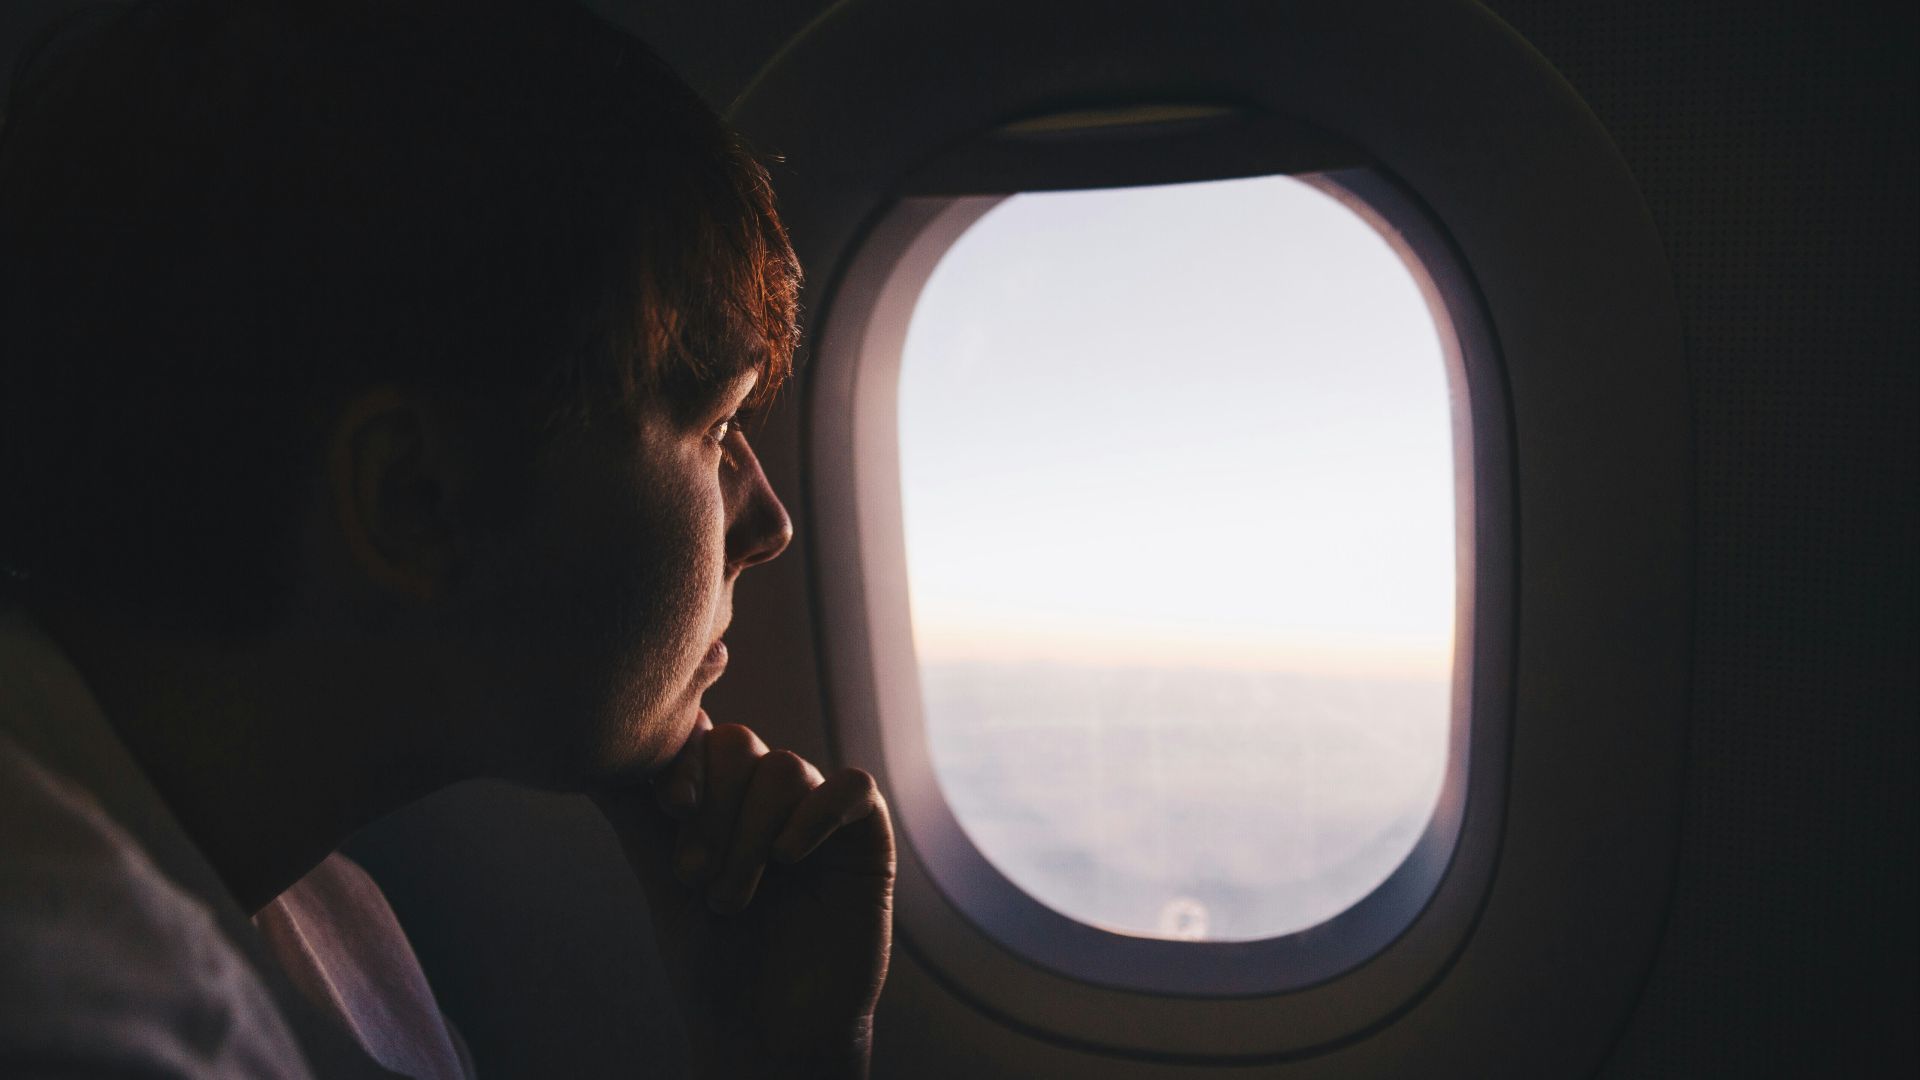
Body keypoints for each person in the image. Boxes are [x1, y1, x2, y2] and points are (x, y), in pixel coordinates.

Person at [0, 0, 894, 1077]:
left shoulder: (322, 914)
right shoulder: (83, 1013)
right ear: (415, 501)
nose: (769, 521)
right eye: (714, 428)